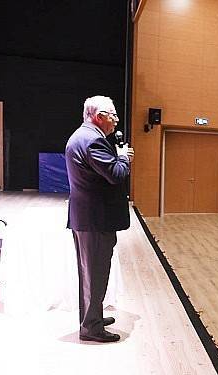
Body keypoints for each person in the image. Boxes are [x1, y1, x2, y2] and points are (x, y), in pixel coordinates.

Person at [65, 95, 133, 343]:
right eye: (113, 115)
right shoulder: (93, 141)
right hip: (96, 219)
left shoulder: (82, 136)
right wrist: (124, 156)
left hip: (87, 217)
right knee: (96, 273)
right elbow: (116, 174)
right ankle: (91, 327)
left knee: (90, 272)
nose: (116, 120)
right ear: (99, 116)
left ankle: (92, 317)